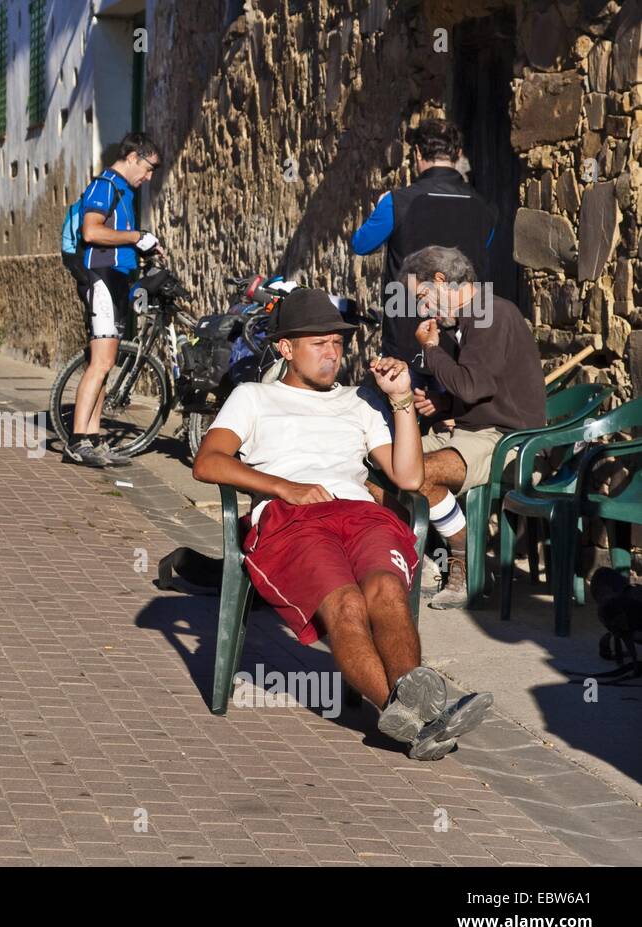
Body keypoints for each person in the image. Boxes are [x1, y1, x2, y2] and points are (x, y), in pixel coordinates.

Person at [193, 287, 493, 760]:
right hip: (291, 520)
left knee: (386, 592)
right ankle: (417, 718)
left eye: (337, 342)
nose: (332, 352)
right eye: (319, 343)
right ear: (286, 347)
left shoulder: (361, 402)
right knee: (347, 606)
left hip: (361, 515)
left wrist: (400, 402)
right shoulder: (252, 397)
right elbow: (208, 462)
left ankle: (416, 721)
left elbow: (409, 477)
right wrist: (283, 487)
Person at [401, 245, 544, 609]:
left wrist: (432, 350)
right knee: (386, 464)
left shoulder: (489, 314)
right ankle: (402, 561)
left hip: (508, 441)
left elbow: (473, 386)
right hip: (474, 432)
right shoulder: (472, 317)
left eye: (422, 298)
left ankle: (468, 564)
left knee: (420, 472)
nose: (422, 310)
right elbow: (483, 389)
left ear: (440, 281)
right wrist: (445, 404)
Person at [351, 118, 497, 378]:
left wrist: (381, 207)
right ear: (458, 155)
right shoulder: (484, 207)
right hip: (465, 329)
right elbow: (482, 252)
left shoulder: (398, 202)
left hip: (407, 326)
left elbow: (362, 245)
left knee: (404, 408)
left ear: (417, 152)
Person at [64, 132, 163, 468]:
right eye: (148, 168)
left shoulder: (122, 191)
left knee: (106, 363)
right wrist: (137, 237)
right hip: (101, 278)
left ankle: (93, 438)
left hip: (116, 278)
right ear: (133, 156)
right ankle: (78, 441)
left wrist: (141, 246)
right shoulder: (105, 186)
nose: (149, 177)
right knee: (101, 362)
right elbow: (92, 232)